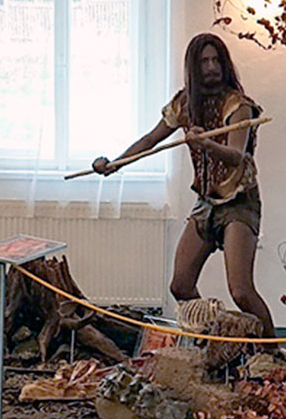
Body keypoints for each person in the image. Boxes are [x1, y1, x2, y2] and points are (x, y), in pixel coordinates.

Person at [92, 32, 274, 335]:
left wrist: (206, 144)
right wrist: (115, 164)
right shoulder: (183, 103)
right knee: (181, 285)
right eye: (204, 61)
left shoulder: (238, 105)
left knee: (241, 291)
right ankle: (217, 339)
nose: (212, 67)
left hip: (239, 202)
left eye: (217, 60)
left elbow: (235, 156)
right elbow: (151, 139)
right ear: (194, 66)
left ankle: (272, 352)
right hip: (206, 203)